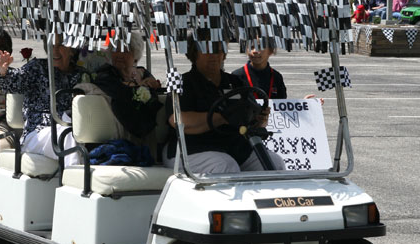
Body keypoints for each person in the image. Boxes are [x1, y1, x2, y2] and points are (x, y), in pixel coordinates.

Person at [163, 39, 285, 173]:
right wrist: (222, 117)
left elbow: (250, 117)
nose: (213, 55)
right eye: (206, 50)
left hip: (233, 147)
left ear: (224, 54)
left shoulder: (235, 82)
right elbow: (179, 121)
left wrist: (260, 120)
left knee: (274, 163)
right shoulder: (182, 83)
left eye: (217, 50)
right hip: (190, 149)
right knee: (225, 165)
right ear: (194, 54)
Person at [0, 35, 84, 165]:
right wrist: (3, 71)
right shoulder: (38, 68)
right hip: (38, 133)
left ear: (72, 49)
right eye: (51, 45)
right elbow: (11, 82)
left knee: (77, 133)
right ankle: (75, 180)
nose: (55, 50)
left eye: (61, 45)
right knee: (69, 134)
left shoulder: (81, 75)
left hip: (71, 127)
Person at [91, 34, 162, 139]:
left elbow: (156, 90)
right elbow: (120, 92)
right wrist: (140, 87)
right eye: (116, 50)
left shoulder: (142, 72)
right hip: (118, 133)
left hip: (148, 129)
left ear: (135, 56)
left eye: (125, 51)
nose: (119, 55)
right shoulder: (104, 74)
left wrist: (154, 85)